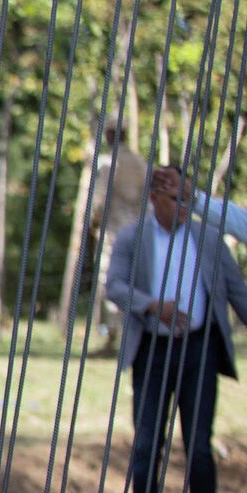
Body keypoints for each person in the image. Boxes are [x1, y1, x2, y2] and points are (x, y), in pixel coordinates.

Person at [102, 166, 247, 493]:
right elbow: (114, 285)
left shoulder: (211, 239)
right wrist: (151, 305)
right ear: (154, 199)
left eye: (187, 199)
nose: (183, 207)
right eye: (175, 199)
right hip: (152, 350)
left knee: (199, 445)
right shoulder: (133, 237)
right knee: (147, 444)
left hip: (199, 350)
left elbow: (237, 292)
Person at [84, 124, 150, 354]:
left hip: (113, 231)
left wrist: (93, 221)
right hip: (139, 231)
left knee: (110, 280)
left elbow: (99, 201)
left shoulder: (108, 163)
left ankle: (114, 337)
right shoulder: (140, 163)